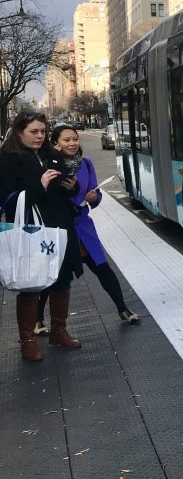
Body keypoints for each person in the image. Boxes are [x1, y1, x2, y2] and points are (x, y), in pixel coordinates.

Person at [34, 125, 140, 333]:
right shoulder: (48, 166)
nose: (72, 143)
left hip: (83, 227)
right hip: (59, 229)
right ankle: (38, 320)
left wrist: (94, 198)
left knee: (102, 268)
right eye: (66, 140)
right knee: (51, 275)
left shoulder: (87, 164)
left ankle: (123, 309)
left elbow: (95, 194)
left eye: (75, 139)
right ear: (56, 143)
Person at [0, 112, 84, 362]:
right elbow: (6, 199)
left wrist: (73, 187)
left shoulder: (52, 154)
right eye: (33, 132)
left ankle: (59, 330)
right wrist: (40, 186)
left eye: (42, 131)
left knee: (62, 279)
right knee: (31, 284)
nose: (39, 136)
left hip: (60, 224)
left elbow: (66, 187)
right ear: (19, 132)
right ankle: (27, 340)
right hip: (31, 228)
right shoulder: (8, 159)